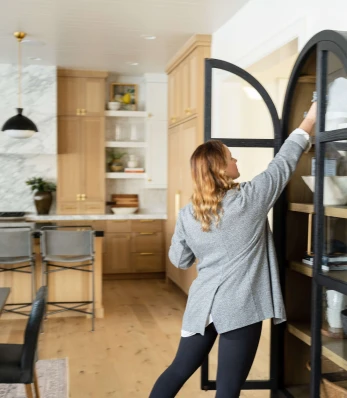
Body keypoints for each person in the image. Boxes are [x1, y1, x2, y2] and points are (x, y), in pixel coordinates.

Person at [149, 102, 317, 398]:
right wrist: (311, 119)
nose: (235, 158)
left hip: (202, 306)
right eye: (230, 157)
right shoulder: (247, 201)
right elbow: (284, 163)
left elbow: (180, 259)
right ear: (221, 168)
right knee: (227, 391)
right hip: (240, 307)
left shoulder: (189, 213)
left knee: (177, 370)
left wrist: (185, 229)